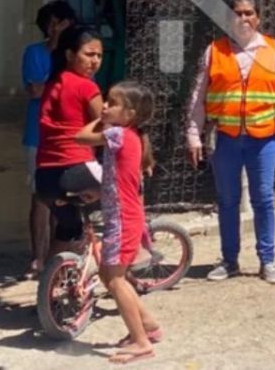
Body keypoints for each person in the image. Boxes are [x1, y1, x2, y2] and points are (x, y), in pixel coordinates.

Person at [184, 0, 275, 284]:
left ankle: (268, 260)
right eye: (237, 13)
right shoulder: (214, 51)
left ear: (258, 18)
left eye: (249, 13)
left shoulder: (272, 49)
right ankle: (229, 261)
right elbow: (198, 97)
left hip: (263, 138)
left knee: (263, 199)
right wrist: (193, 135)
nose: (243, 18)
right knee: (227, 201)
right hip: (226, 139)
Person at [76, 81, 161, 365]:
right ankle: (149, 325)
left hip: (123, 219)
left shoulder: (118, 133)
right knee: (109, 274)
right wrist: (100, 193)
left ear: (130, 114)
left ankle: (141, 342)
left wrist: (100, 119)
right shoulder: (131, 136)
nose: (105, 106)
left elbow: (81, 137)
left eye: (112, 103)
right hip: (124, 215)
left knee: (114, 279)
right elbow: (121, 179)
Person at [36, 25, 105, 255]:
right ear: (69, 54)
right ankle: (135, 254)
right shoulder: (86, 86)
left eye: (99, 56)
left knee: (69, 228)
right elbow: (107, 127)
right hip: (76, 170)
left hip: (45, 178)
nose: (95, 61)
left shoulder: (51, 84)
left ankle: (52, 273)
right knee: (131, 190)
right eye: (89, 54)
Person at [21, 0, 76, 279]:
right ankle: (37, 258)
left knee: (63, 198)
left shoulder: (76, 55)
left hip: (69, 136)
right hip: (38, 135)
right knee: (40, 197)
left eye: (61, 23)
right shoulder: (34, 53)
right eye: (52, 24)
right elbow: (34, 90)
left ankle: (57, 259)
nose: (56, 28)